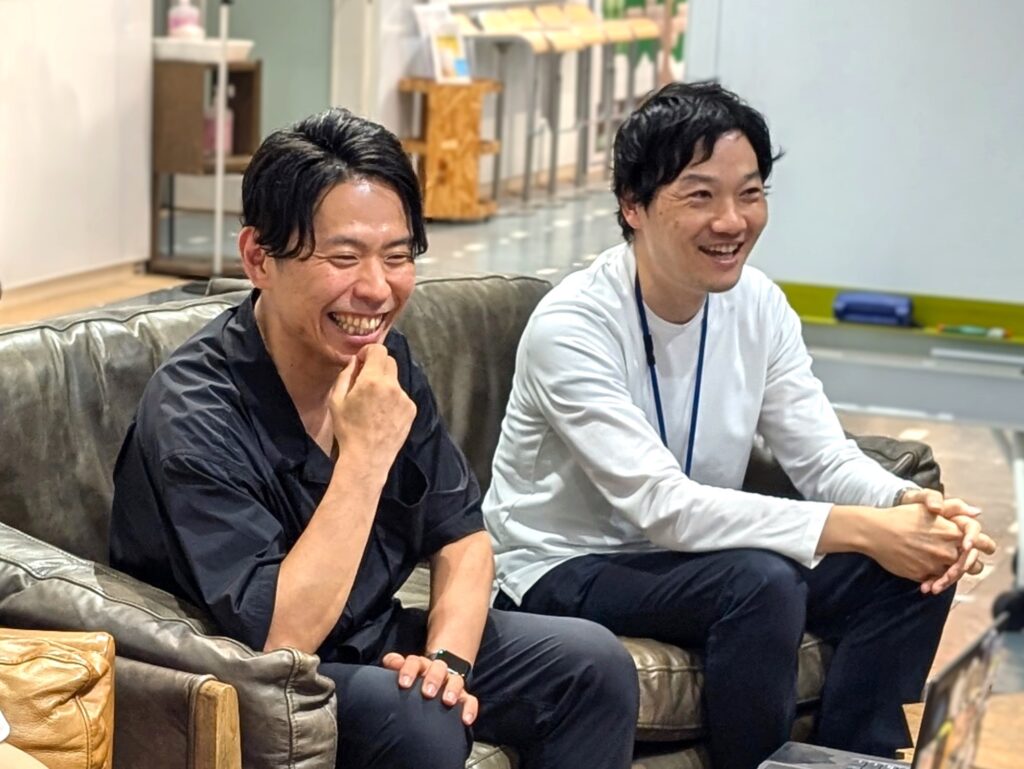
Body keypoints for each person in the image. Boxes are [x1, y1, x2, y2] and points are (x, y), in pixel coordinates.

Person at [482, 82, 996, 769]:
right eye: (700, 196)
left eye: (750, 193)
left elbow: (821, 457)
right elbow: (663, 506)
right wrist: (863, 528)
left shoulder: (757, 304)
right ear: (632, 206)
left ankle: (847, 758)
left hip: (693, 554)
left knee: (913, 565)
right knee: (759, 582)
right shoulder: (574, 326)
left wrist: (911, 508)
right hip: (564, 562)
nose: (732, 220)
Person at [109, 108, 638, 769]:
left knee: (592, 665)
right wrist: (363, 455)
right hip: (239, 678)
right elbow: (282, 637)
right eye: (344, 257)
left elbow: (464, 538)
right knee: (419, 722)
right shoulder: (195, 408)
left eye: (397, 256)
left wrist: (446, 663)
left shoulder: (385, 364)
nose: (377, 288)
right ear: (258, 258)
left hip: (364, 639)